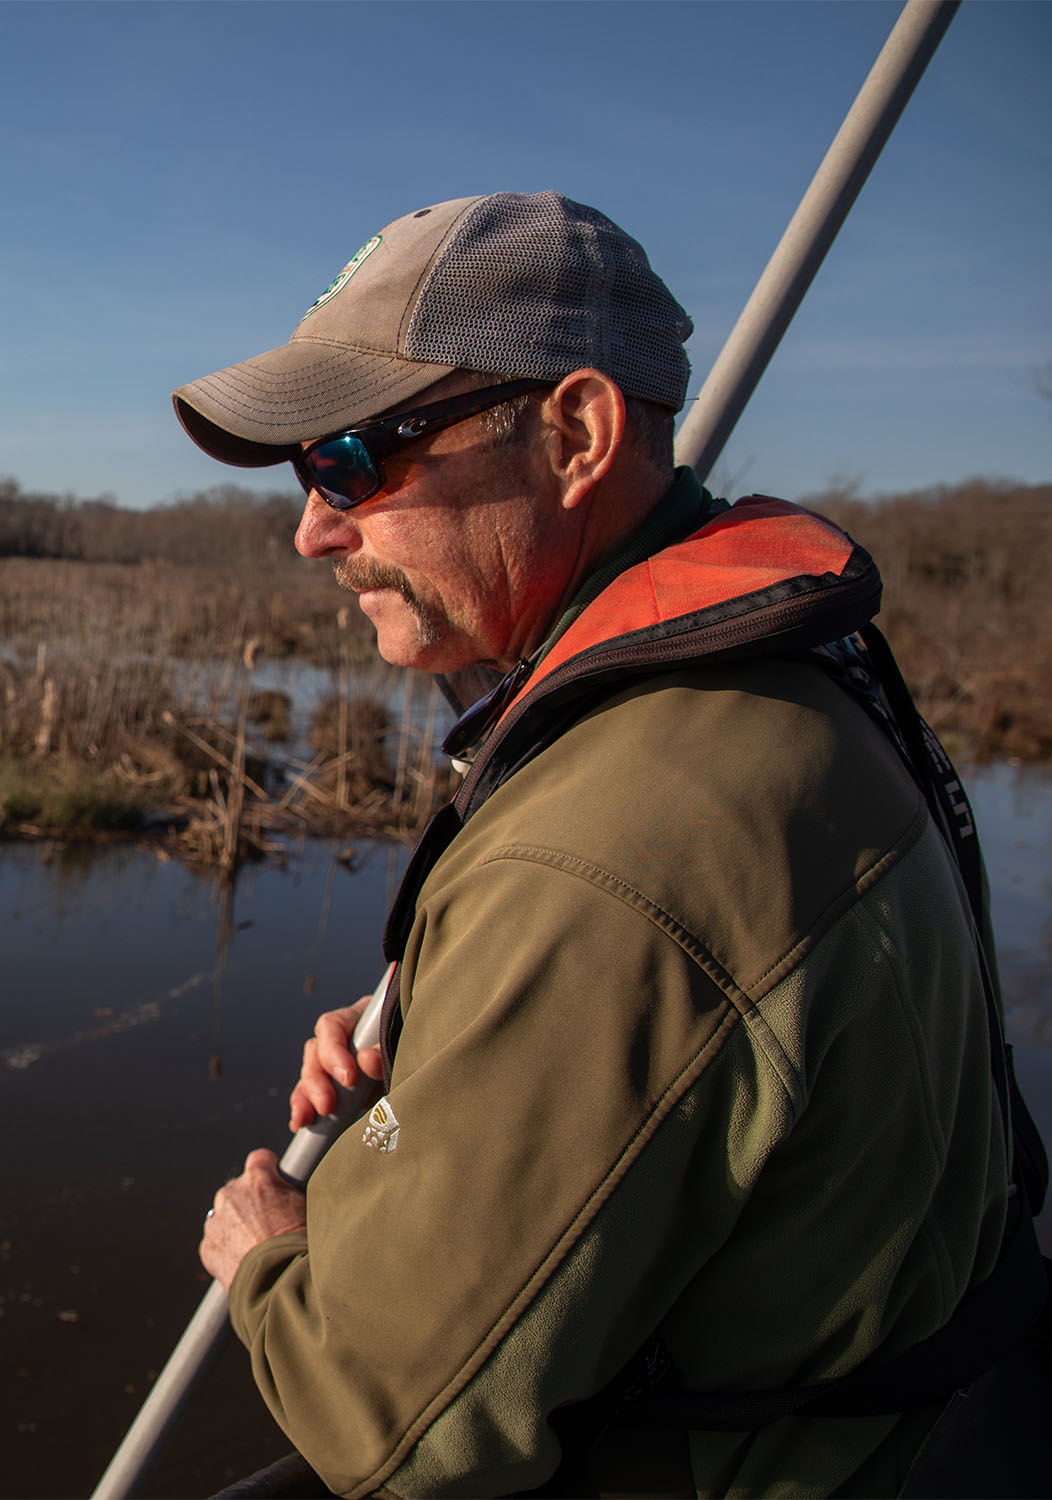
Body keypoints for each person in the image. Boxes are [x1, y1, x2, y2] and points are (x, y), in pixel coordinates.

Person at [172, 192, 1046, 1497]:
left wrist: (270, 1261)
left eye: (352, 457)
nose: (313, 526)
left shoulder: (609, 854)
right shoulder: (780, 683)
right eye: (305, 472)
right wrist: (458, 1025)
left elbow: (407, 1428)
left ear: (577, 434)